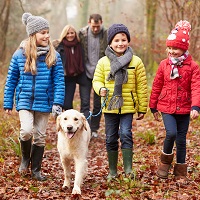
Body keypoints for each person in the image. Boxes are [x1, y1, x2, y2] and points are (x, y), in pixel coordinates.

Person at [3, 12, 65, 181]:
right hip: (24, 100)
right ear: (32, 35)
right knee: (26, 131)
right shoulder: (19, 55)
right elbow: (11, 80)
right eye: (43, 32)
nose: (47, 35)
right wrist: (8, 101)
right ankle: (25, 159)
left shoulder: (54, 56)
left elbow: (59, 81)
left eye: (47, 32)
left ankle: (36, 170)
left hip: (45, 102)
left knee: (40, 135)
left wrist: (57, 103)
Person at [93, 24, 148, 178]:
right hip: (110, 106)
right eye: (116, 40)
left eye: (123, 39)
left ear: (128, 41)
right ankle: (112, 171)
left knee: (125, 134)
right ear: (110, 43)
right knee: (110, 137)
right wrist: (100, 89)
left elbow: (141, 86)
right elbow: (96, 81)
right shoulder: (103, 62)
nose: (120, 43)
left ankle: (128, 170)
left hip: (127, 106)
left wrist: (142, 108)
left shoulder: (136, 62)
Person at [149, 20, 200, 181]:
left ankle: (180, 170)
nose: (171, 51)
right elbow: (157, 84)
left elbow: (196, 87)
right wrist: (153, 106)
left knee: (181, 140)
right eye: (169, 48)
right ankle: (165, 163)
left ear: (184, 48)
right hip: (166, 106)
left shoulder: (193, 67)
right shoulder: (164, 65)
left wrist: (195, 106)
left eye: (175, 48)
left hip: (185, 108)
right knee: (171, 133)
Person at [78, 14, 107, 138]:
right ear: (89, 23)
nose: (95, 29)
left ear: (101, 23)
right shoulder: (82, 34)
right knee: (85, 103)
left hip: (100, 74)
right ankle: (85, 128)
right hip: (85, 73)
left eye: (98, 26)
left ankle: (94, 129)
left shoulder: (106, 34)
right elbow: (69, 41)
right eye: (93, 26)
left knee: (97, 104)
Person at [53, 25, 85, 111]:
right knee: (60, 102)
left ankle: (68, 121)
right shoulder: (59, 46)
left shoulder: (78, 45)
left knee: (68, 103)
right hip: (61, 78)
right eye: (67, 33)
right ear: (64, 34)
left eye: (72, 33)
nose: (70, 35)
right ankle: (61, 121)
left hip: (72, 78)